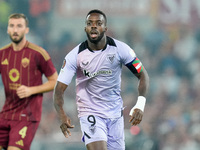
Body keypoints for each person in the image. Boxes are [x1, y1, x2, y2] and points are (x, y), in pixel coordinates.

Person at [53, 9, 149, 150]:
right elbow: (59, 91)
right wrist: (62, 116)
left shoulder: (121, 49)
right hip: (90, 113)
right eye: (90, 23)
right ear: (85, 28)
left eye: (98, 23)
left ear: (105, 28)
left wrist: (140, 104)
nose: (93, 26)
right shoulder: (75, 56)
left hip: (115, 115)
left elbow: (143, 75)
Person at [0, 13, 58, 150]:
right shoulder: (2, 54)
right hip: (6, 114)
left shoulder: (39, 53)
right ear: (8, 29)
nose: (15, 30)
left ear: (26, 29)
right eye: (12, 26)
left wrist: (31, 90)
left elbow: (55, 81)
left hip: (27, 116)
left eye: (19, 26)